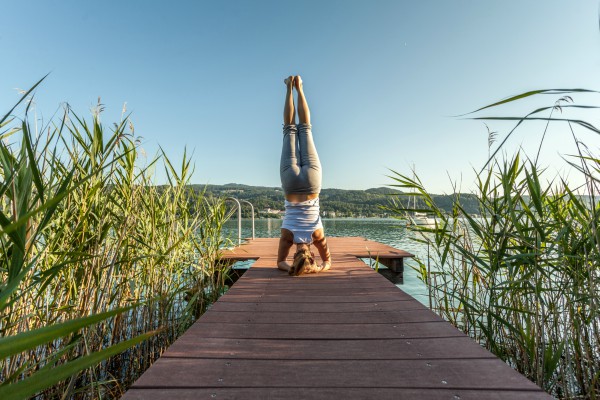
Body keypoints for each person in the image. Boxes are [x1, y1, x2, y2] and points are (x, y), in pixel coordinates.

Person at [277, 75, 332, 276]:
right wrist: (292, 268)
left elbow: (328, 263)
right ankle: (288, 88)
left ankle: (298, 86)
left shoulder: (317, 235)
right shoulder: (287, 237)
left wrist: (319, 267)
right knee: (289, 130)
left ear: (312, 255)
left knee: (305, 129)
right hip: (291, 185)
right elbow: (280, 263)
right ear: (295, 258)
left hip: (311, 184)